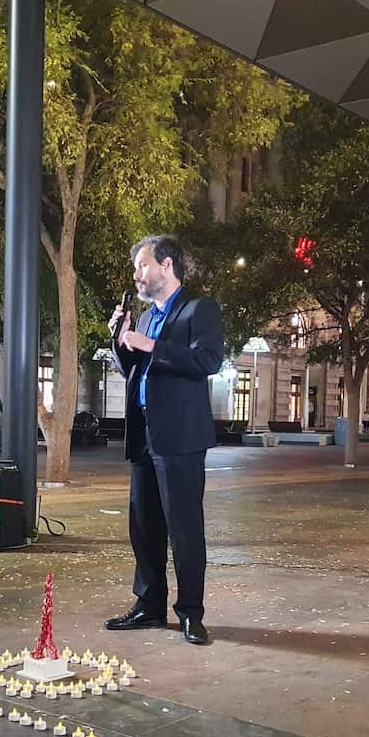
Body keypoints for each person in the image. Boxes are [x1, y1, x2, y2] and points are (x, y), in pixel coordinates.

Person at [105, 235, 223, 646]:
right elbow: (133, 369)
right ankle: (149, 605)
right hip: (144, 434)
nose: (136, 274)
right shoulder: (145, 316)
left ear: (166, 265)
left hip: (181, 437)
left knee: (184, 528)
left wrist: (150, 344)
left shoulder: (199, 309)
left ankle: (191, 613)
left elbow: (208, 360)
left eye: (142, 266)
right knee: (144, 527)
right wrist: (120, 339)